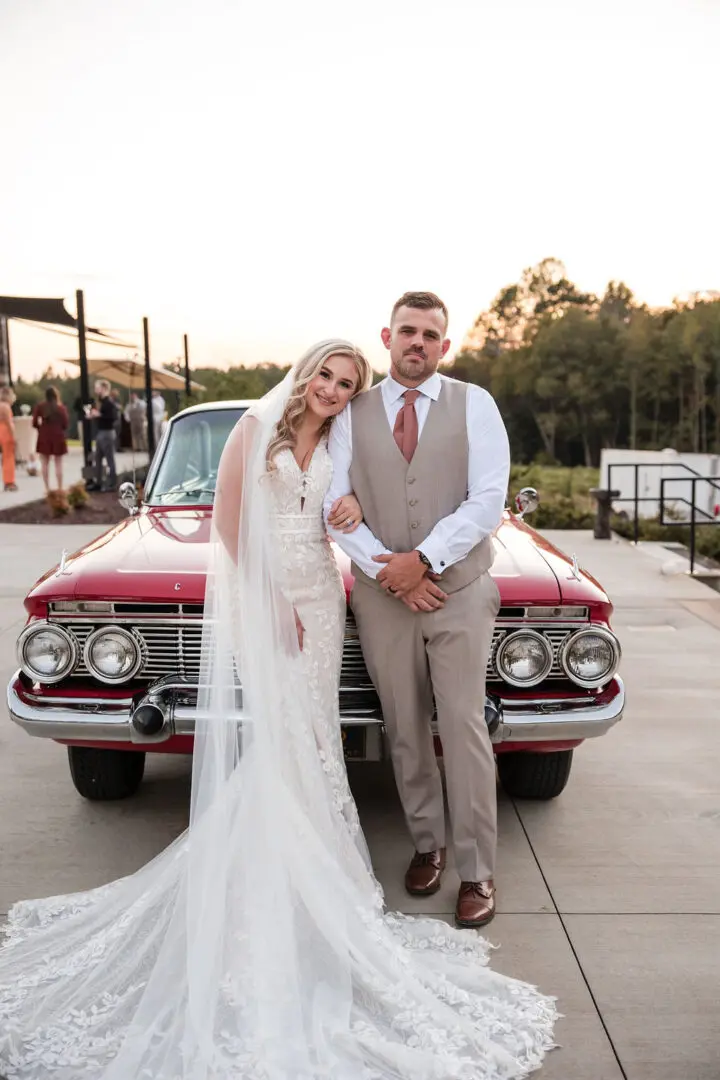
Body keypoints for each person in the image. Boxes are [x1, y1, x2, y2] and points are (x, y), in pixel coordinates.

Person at [0, 340, 556, 1079]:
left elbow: (345, 505)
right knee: (285, 733)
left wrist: (349, 510)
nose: (332, 390)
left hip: (325, 597)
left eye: (346, 382)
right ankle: (274, 881)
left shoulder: (340, 437)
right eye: (326, 376)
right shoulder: (249, 430)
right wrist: (268, 598)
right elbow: (229, 525)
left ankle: (316, 875)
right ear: (305, 373)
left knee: (316, 735)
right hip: (268, 593)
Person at [324, 292, 511, 929]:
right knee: (404, 728)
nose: (418, 343)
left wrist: (422, 561)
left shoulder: (475, 405)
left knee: (463, 729)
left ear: (445, 346)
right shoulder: (352, 412)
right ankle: (428, 845)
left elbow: (487, 501)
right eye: (408, 331)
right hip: (383, 599)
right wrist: (389, 571)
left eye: (431, 335)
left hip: (459, 592)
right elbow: (334, 501)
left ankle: (477, 869)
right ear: (387, 335)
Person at [32, 386, 69, 493]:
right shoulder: (61, 408)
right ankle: (60, 487)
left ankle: (47, 488)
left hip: (44, 436)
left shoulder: (40, 407)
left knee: (45, 463)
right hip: (58, 436)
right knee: (58, 463)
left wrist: (40, 428)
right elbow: (65, 423)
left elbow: (34, 422)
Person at [90, 379, 118, 491]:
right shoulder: (100, 402)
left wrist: (99, 415)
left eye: (98, 387)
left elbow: (112, 418)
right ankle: (98, 482)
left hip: (107, 433)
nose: (96, 389)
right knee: (98, 458)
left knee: (109, 459)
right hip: (100, 432)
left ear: (104, 388)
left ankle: (112, 484)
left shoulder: (109, 403)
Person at [0, 385, 17, 491]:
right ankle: (9, 481)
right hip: (6, 432)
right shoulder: (6, 407)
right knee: (9, 457)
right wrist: (14, 436)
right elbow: (9, 423)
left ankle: (8, 480)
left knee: (5, 457)